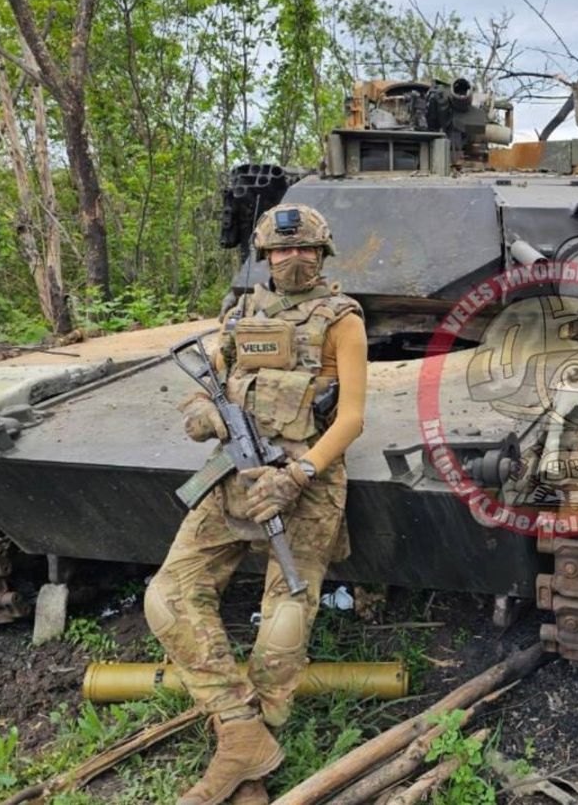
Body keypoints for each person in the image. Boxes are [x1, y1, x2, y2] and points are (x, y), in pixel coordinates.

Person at [145, 204, 367, 805]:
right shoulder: (239, 314)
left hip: (306, 482)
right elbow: (206, 383)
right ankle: (240, 729)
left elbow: (350, 419)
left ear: (322, 255)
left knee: (286, 617)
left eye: (305, 251)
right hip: (233, 478)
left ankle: (245, 757)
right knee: (166, 596)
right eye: (281, 251)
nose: (293, 260)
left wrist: (298, 474)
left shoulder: (342, 319)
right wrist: (202, 414)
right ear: (264, 256)